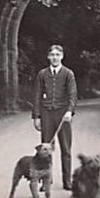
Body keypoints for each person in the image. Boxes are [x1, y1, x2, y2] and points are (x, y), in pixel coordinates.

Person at [32, 44, 78, 190]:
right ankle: (46, 181)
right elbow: (37, 95)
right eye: (52, 55)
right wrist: (37, 116)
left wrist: (70, 111)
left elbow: (72, 95)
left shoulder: (68, 74)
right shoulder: (42, 74)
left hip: (63, 114)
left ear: (62, 56)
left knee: (66, 149)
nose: (55, 58)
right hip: (46, 114)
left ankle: (67, 181)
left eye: (57, 55)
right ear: (48, 57)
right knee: (45, 150)